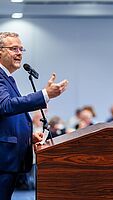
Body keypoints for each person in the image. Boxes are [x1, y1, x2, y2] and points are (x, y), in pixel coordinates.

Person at [0, 32, 68, 200]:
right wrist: (45, 94)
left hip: (8, 159)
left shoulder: (8, 78)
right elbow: (5, 106)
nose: (19, 53)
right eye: (14, 48)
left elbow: (7, 119)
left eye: (21, 49)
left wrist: (27, 138)